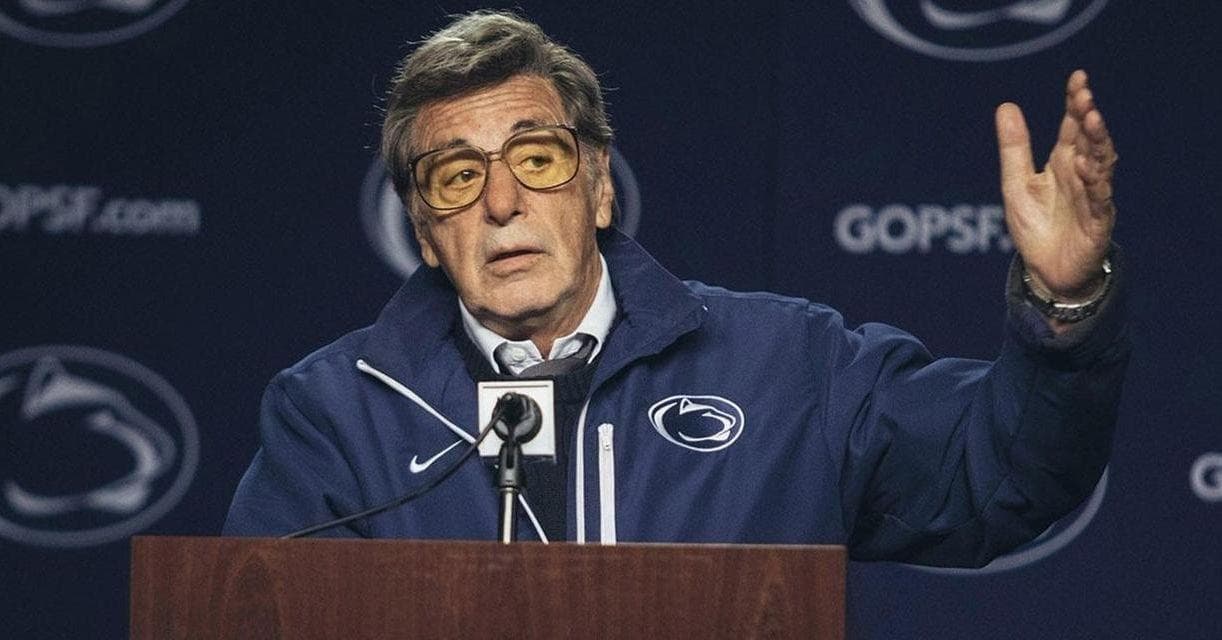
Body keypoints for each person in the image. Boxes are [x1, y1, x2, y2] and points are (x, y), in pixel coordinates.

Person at [223, 10, 1128, 567]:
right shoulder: (337, 416)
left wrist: (1064, 301)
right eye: (458, 177)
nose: (501, 203)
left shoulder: (788, 368)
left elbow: (1000, 478)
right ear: (424, 232)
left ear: (599, 188)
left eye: (537, 159)